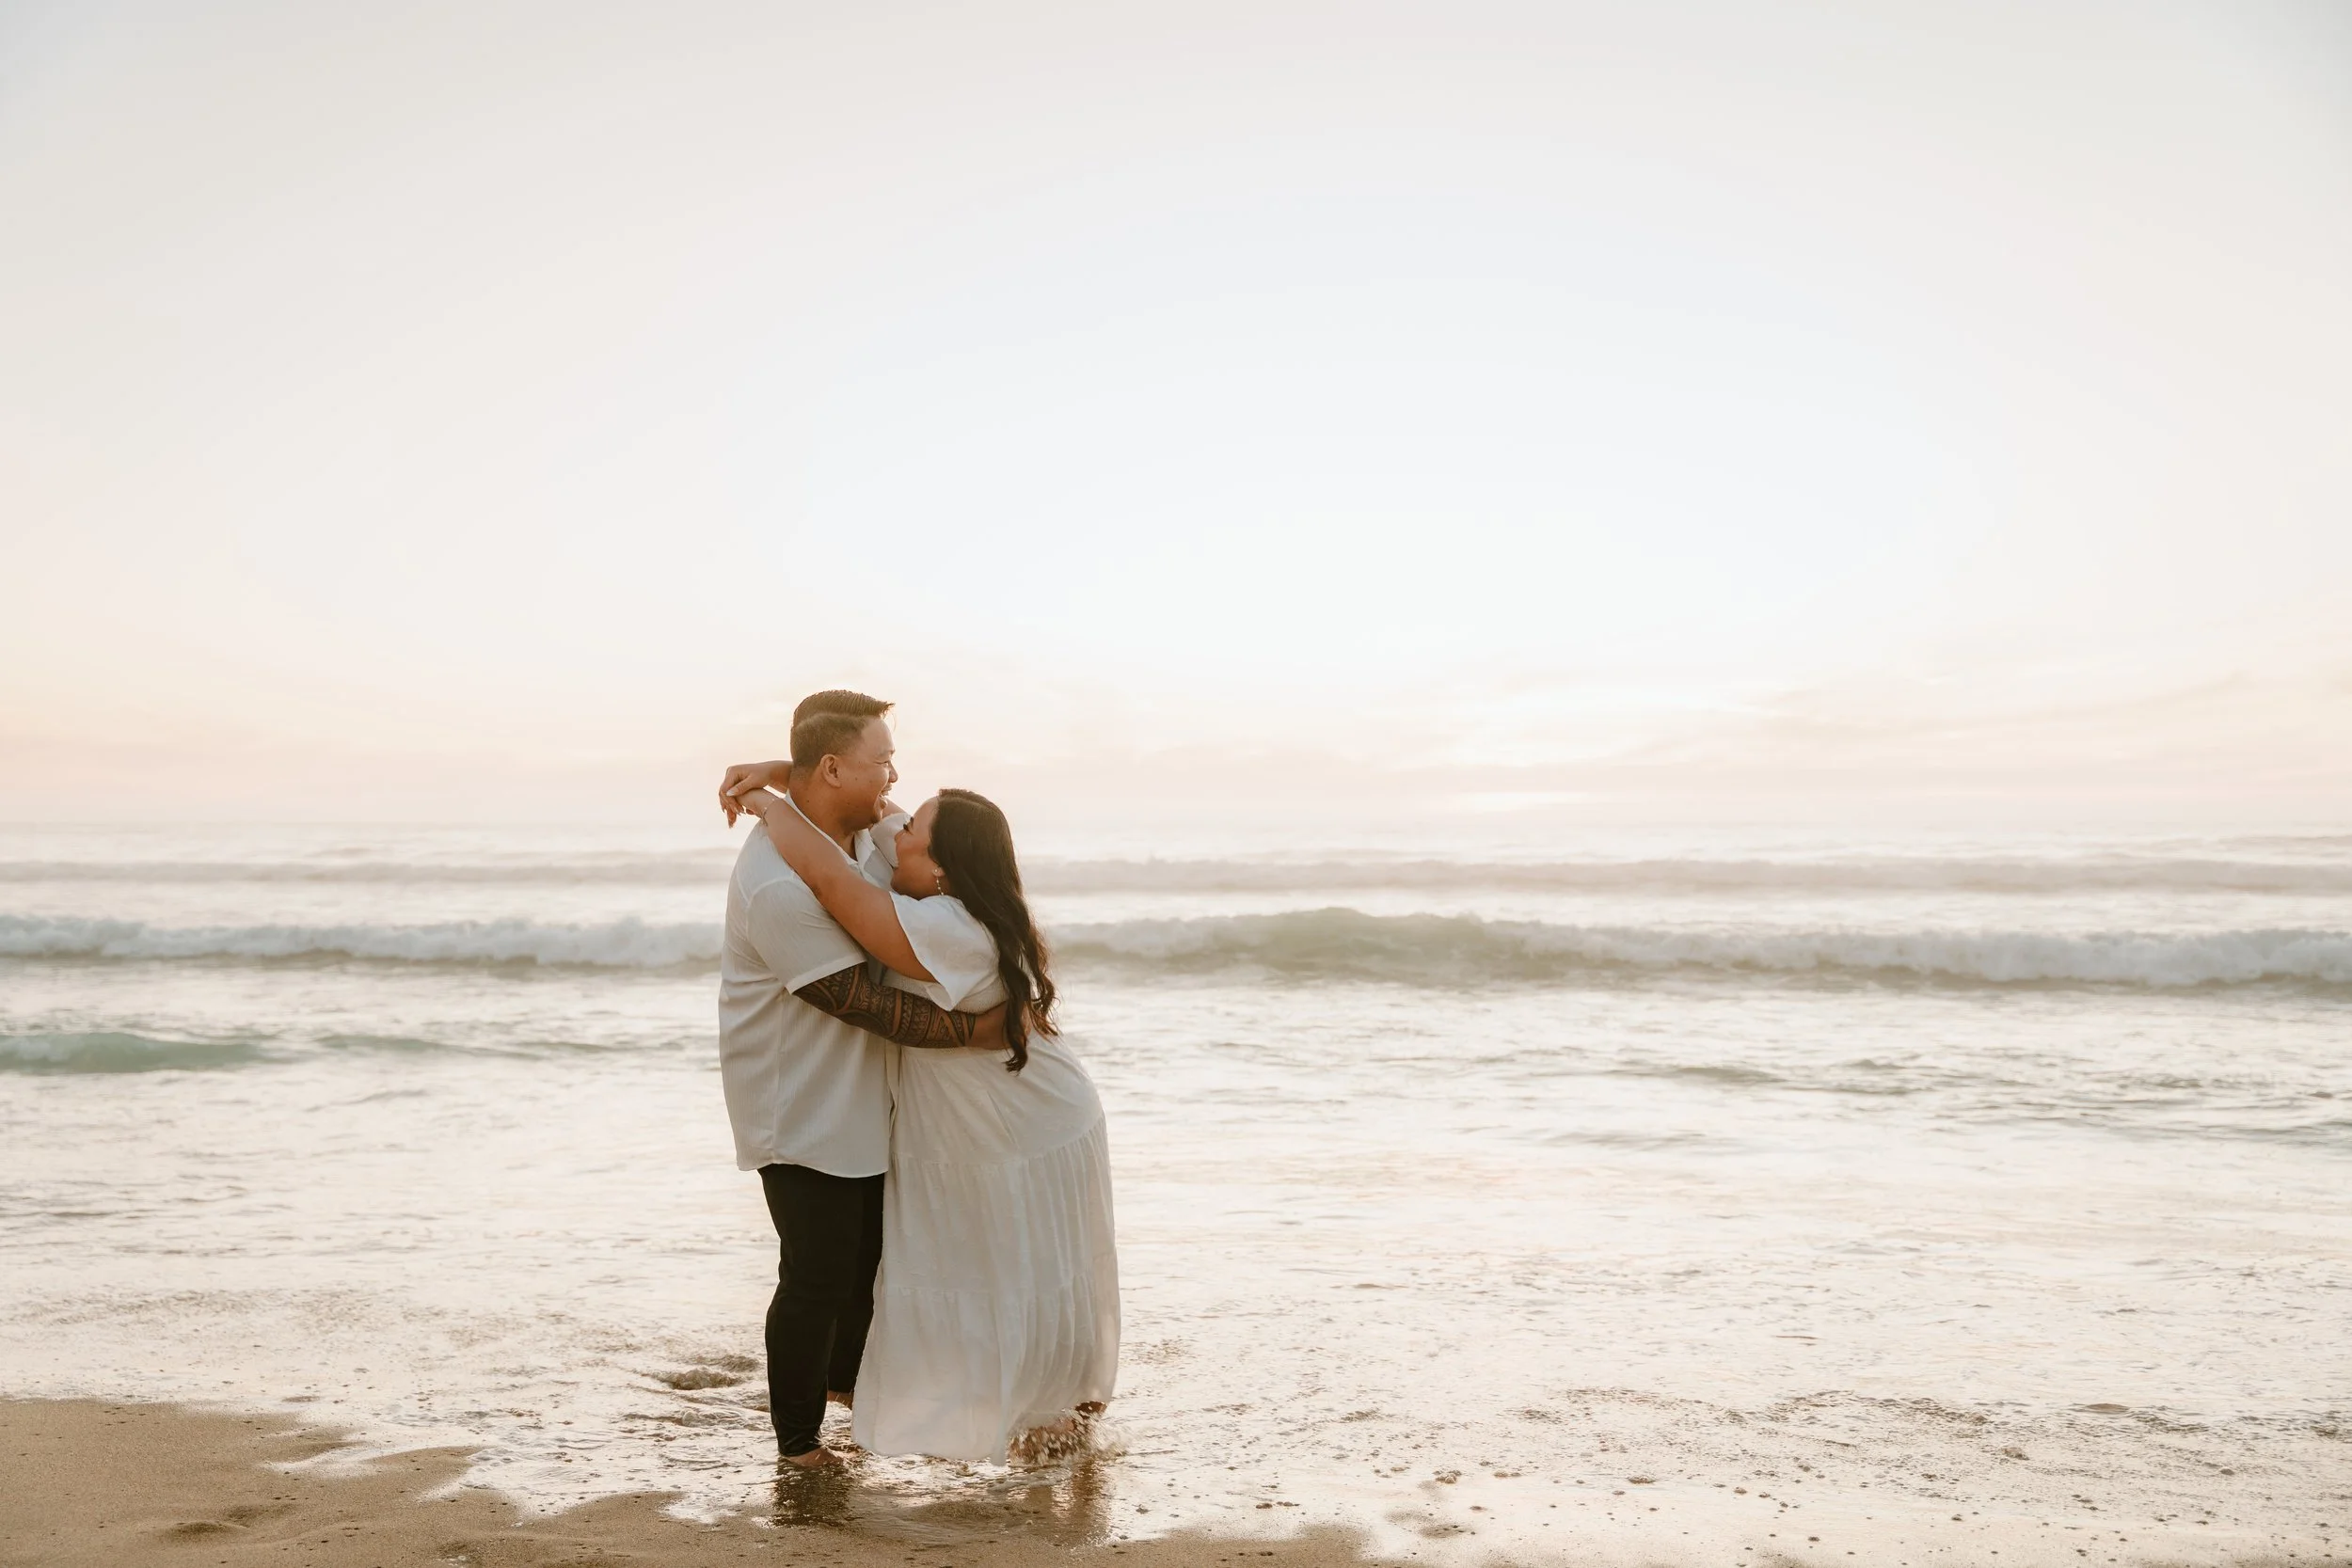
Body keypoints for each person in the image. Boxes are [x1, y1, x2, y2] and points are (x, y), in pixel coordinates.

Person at [724, 771, 1120, 1463]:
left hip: (1023, 1122)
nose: (894, 830)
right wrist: (796, 772)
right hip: (1013, 1114)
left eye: (912, 831)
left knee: (1033, 1265)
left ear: (941, 864)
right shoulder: (946, 894)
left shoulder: (946, 926)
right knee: (1032, 1262)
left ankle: (1060, 1406)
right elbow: (875, 806)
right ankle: (1057, 1406)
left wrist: (764, 803)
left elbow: (828, 880)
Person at [717, 690, 1013, 1470]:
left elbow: (927, 836)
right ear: (833, 768)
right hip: (798, 1101)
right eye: (883, 759)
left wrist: (776, 774)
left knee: (866, 1269)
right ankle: (798, 1442)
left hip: (866, 1099)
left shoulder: (869, 835)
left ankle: (845, 1389)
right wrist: (975, 1031)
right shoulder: (776, 883)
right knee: (815, 1276)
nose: (893, 775)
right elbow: (860, 1002)